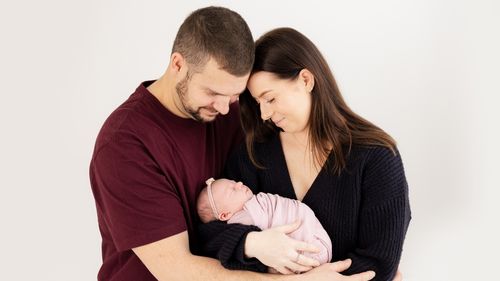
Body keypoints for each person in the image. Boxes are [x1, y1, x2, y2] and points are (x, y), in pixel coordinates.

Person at [89, 6, 377, 281]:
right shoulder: (124, 144)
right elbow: (178, 271)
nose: (225, 109)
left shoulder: (234, 114)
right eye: (213, 92)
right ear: (178, 64)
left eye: (234, 95)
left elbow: (300, 181)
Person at [198, 27, 411, 281]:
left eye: (271, 99)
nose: (264, 114)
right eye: (258, 103)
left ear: (306, 80)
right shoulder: (254, 154)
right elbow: (207, 238)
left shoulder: (377, 158)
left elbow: (379, 264)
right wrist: (253, 243)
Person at [197, 177, 332, 268]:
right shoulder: (241, 219)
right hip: (310, 247)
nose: (239, 184)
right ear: (225, 215)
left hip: (310, 233)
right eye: (232, 190)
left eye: (234, 182)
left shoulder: (255, 202)